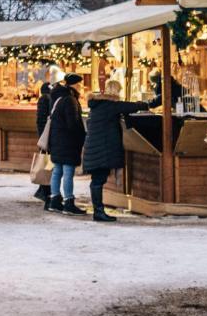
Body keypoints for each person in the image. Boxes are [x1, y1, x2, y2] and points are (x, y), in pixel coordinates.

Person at [83, 79, 156, 222]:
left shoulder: (98, 105)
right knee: (98, 180)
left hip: (94, 148)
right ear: (116, 91)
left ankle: (98, 211)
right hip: (100, 149)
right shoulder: (110, 105)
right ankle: (98, 212)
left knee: (96, 180)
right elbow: (131, 106)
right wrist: (149, 104)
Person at [45, 74, 87, 214]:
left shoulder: (58, 97)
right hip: (68, 141)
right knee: (68, 172)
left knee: (57, 171)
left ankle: (54, 200)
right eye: (79, 84)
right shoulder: (70, 100)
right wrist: (81, 137)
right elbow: (73, 124)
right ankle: (69, 202)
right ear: (74, 85)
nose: (81, 86)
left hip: (57, 140)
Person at [33, 78, 58, 201]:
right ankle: (44, 190)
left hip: (44, 137)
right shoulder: (46, 99)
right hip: (46, 138)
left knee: (47, 164)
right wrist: (45, 138)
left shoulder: (43, 99)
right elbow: (43, 121)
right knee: (47, 164)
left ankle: (43, 189)